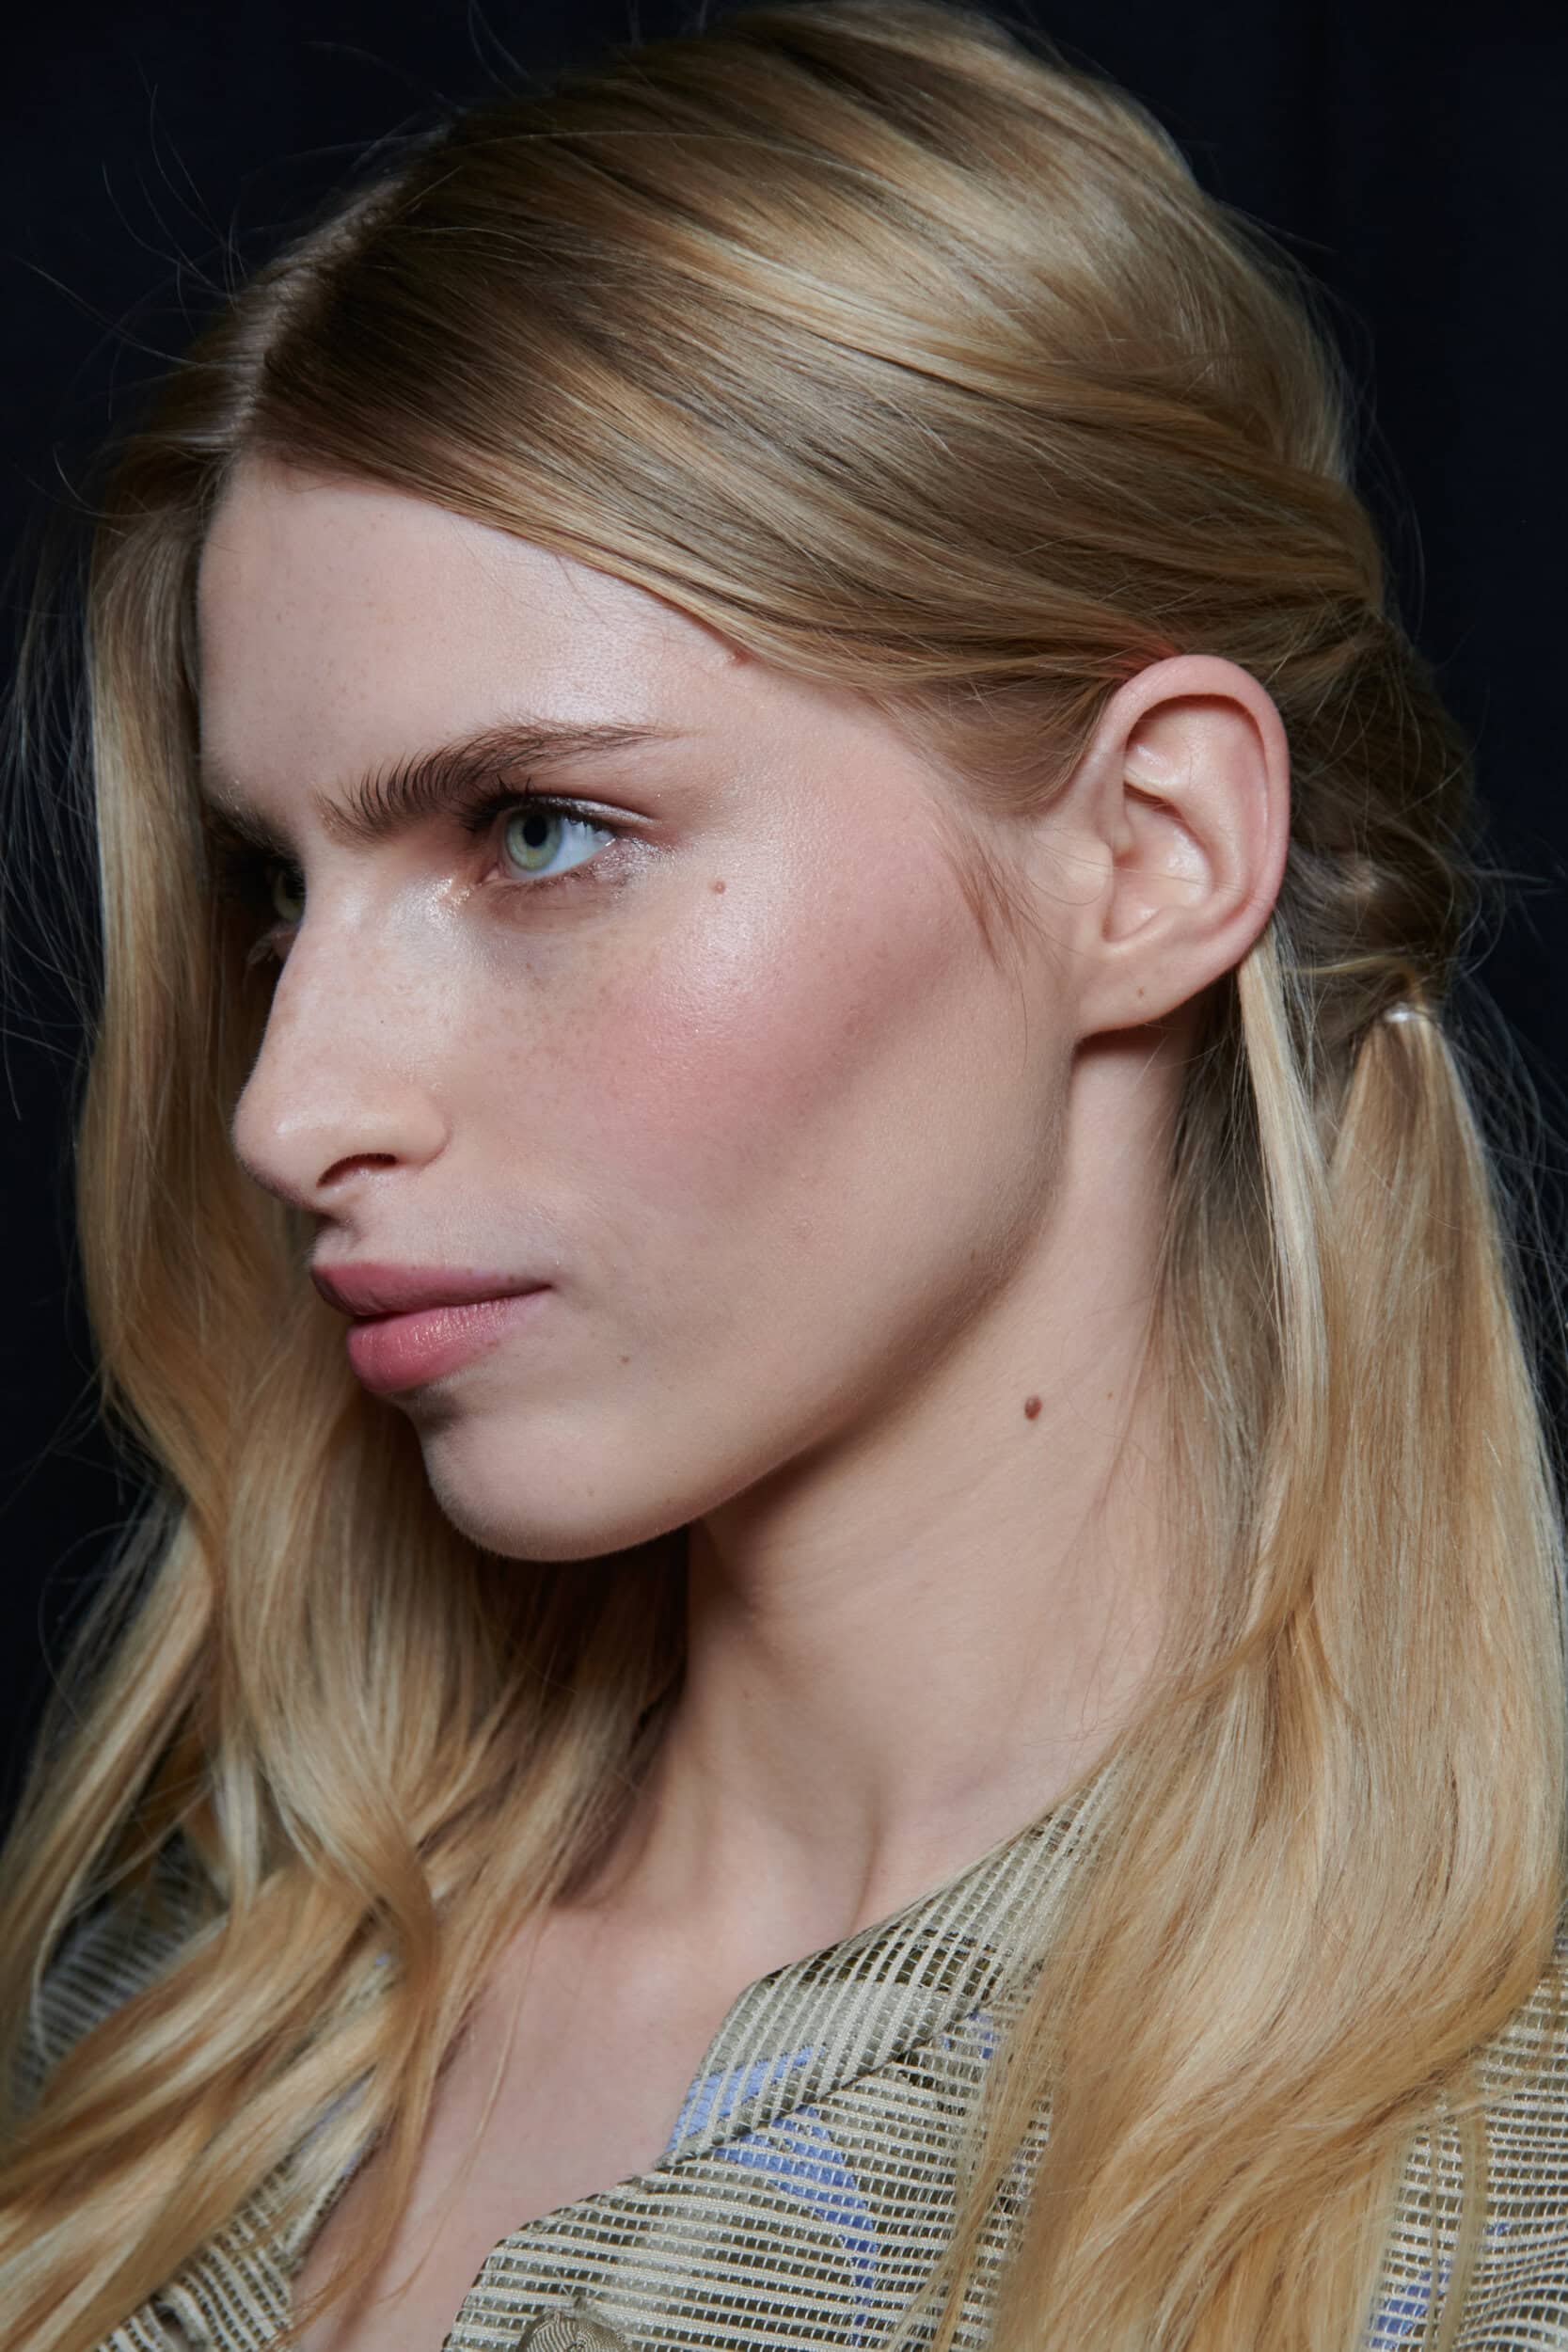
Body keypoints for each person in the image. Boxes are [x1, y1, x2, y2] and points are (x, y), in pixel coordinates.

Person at [4, 1, 1567, 2346]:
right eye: (276, 890)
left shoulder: (1495, 2210)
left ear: (1150, 851)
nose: (287, 1106)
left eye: (540, 830)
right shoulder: (175, 2021)